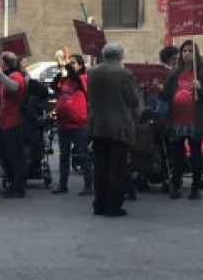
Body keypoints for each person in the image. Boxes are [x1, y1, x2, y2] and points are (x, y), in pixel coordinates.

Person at [86, 42, 140, 217]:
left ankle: (99, 204)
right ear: (120, 56)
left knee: (100, 167)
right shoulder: (124, 74)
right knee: (116, 168)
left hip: (98, 125)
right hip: (119, 127)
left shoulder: (92, 72)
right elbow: (132, 100)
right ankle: (113, 206)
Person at [164, 39, 203, 200]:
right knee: (177, 154)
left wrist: (201, 88)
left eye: (190, 51)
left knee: (195, 154)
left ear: (196, 53)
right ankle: (176, 184)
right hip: (177, 119)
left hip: (194, 120)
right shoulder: (174, 73)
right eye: (184, 51)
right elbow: (166, 95)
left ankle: (195, 187)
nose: (186, 54)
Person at [51, 53, 90, 196]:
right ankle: (62, 185)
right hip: (63, 123)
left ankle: (88, 185)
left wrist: (66, 64)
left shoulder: (83, 78)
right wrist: (60, 71)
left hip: (78, 123)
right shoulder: (66, 79)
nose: (72, 65)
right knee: (64, 156)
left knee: (83, 155)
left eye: (74, 63)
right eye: (71, 63)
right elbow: (54, 86)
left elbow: (75, 77)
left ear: (80, 65)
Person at [0, 50, 29, 198]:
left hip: (13, 123)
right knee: (7, 156)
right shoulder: (9, 76)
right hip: (5, 122)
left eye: (1, 61)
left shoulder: (16, 76)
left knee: (15, 157)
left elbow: (14, 87)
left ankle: (18, 188)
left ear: (6, 63)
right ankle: (12, 185)